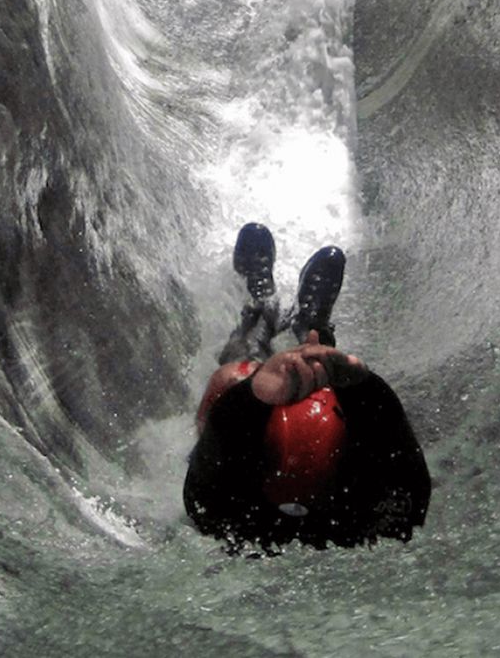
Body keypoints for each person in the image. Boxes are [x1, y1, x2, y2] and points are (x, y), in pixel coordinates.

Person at [183, 222, 431, 550]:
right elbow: (411, 479)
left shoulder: (226, 514)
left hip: (241, 455)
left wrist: (255, 394)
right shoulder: (368, 514)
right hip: (294, 458)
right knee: (303, 370)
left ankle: (260, 312)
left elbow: (202, 483)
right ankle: (314, 332)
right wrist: (360, 386)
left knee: (231, 377)